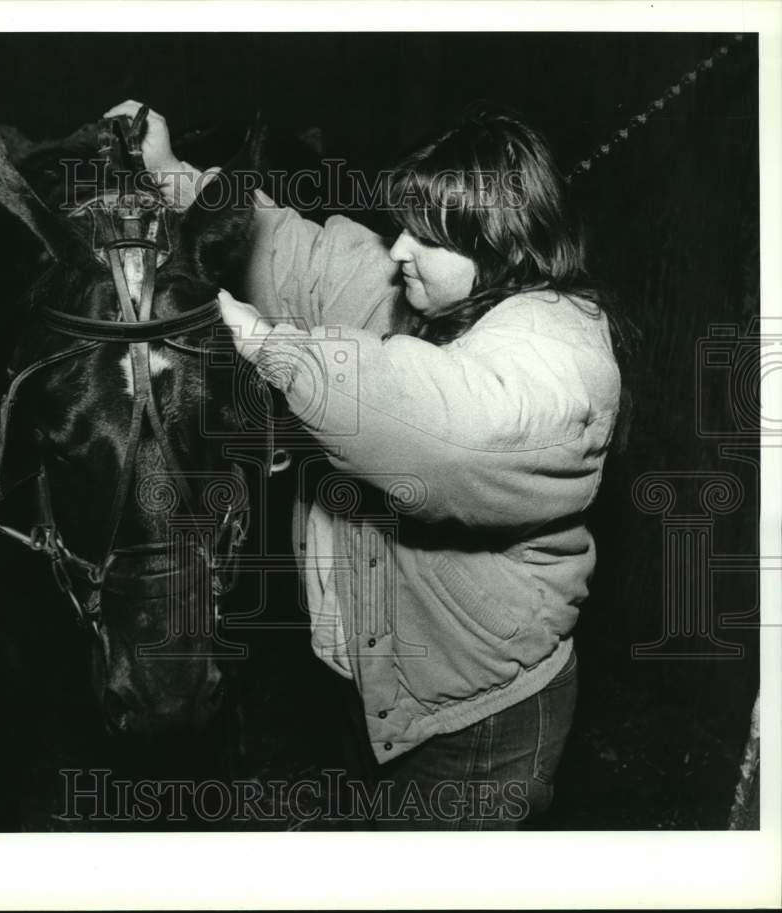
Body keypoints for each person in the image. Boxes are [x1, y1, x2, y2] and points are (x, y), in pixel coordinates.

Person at [105, 100, 630, 830]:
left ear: (501, 244)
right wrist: (172, 177)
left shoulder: (561, 359)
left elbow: (444, 431)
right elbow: (296, 252)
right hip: (376, 695)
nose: (399, 250)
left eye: (429, 236)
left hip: (476, 727)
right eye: (405, 225)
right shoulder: (421, 299)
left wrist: (264, 341)